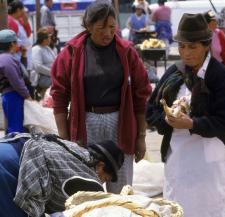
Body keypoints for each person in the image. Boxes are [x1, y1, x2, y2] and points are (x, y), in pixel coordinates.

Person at [50, 1, 152, 194]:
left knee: (121, 189)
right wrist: (64, 139)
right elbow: (59, 96)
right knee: (88, 188)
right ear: (88, 27)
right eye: (100, 28)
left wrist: (141, 137)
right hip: (86, 123)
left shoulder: (126, 51)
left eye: (112, 27)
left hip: (120, 123)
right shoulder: (72, 52)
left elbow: (141, 95)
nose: (107, 33)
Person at [146, 13, 225, 217]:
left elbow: (224, 121)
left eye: (192, 47)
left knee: (208, 206)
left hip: (208, 160)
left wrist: (192, 124)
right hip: (177, 157)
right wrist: (167, 119)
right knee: (177, 205)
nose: (186, 53)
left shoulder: (219, 77)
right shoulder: (174, 72)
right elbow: (151, 110)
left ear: (206, 46)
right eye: (182, 47)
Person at [0, 133, 124, 217]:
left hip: (9, 146)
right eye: (105, 178)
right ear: (101, 166)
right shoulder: (90, 182)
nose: (102, 182)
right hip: (11, 165)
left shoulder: (75, 150)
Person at [0, 29, 32, 134]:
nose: (17, 45)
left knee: (13, 127)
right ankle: (15, 150)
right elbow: (17, 82)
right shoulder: (7, 60)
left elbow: (21, 72)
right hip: (13, 95)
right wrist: (27, 96)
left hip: (10, 96)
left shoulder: (5, 58)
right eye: (16, 43)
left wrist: (24, 56)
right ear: (11, 44)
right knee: (16, 129)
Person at [32, 27, 56, 99]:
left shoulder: (47, 48)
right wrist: (52, 72)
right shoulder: (36, 49)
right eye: (49, 38)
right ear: (44, 39)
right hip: (42, 80)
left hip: (51, 78)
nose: (50, 39)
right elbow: (38, 66)